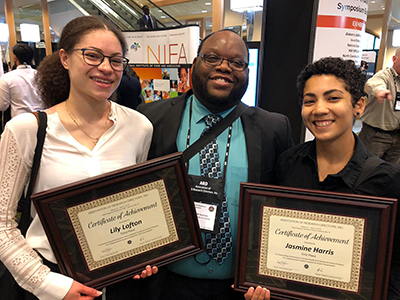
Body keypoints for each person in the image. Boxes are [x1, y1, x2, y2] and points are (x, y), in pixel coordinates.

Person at [0, 16, 157, 300]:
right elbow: (2, 222)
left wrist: (145, 253)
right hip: (51, 279)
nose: (106, 68)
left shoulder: (139, 127)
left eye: (116, 60)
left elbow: (138, 203)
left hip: (121, 281)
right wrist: (48, 285)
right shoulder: (27, 130)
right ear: (65, 58)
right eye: (93, 56)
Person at [137, 29, 292, 300]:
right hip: (168, 284)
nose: (224, 67)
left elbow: (285, 206)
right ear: (195, 63)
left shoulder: (273, 128)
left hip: (239, 289)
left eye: (237, 62)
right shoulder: (152, 118)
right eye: (212, 58)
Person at [276, 57, 400, 299]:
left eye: (333, 98)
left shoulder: (388, 180)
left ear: (359, 106)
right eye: (309, 101)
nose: (320, 109)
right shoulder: (288, 163)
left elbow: (394, 267)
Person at [359, 48, 400, 164]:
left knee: (391, 172)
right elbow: (373, 83)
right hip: (375, 135)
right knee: (367, 168)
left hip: (397, 137)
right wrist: (380, 91)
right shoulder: (385, 75)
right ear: (394, 59)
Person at [0, 43, 44, 119]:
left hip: (19, 120)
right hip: (42, 119)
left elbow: (2, 106)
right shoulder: (41, 75)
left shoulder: (7, 78)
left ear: (15, 58)